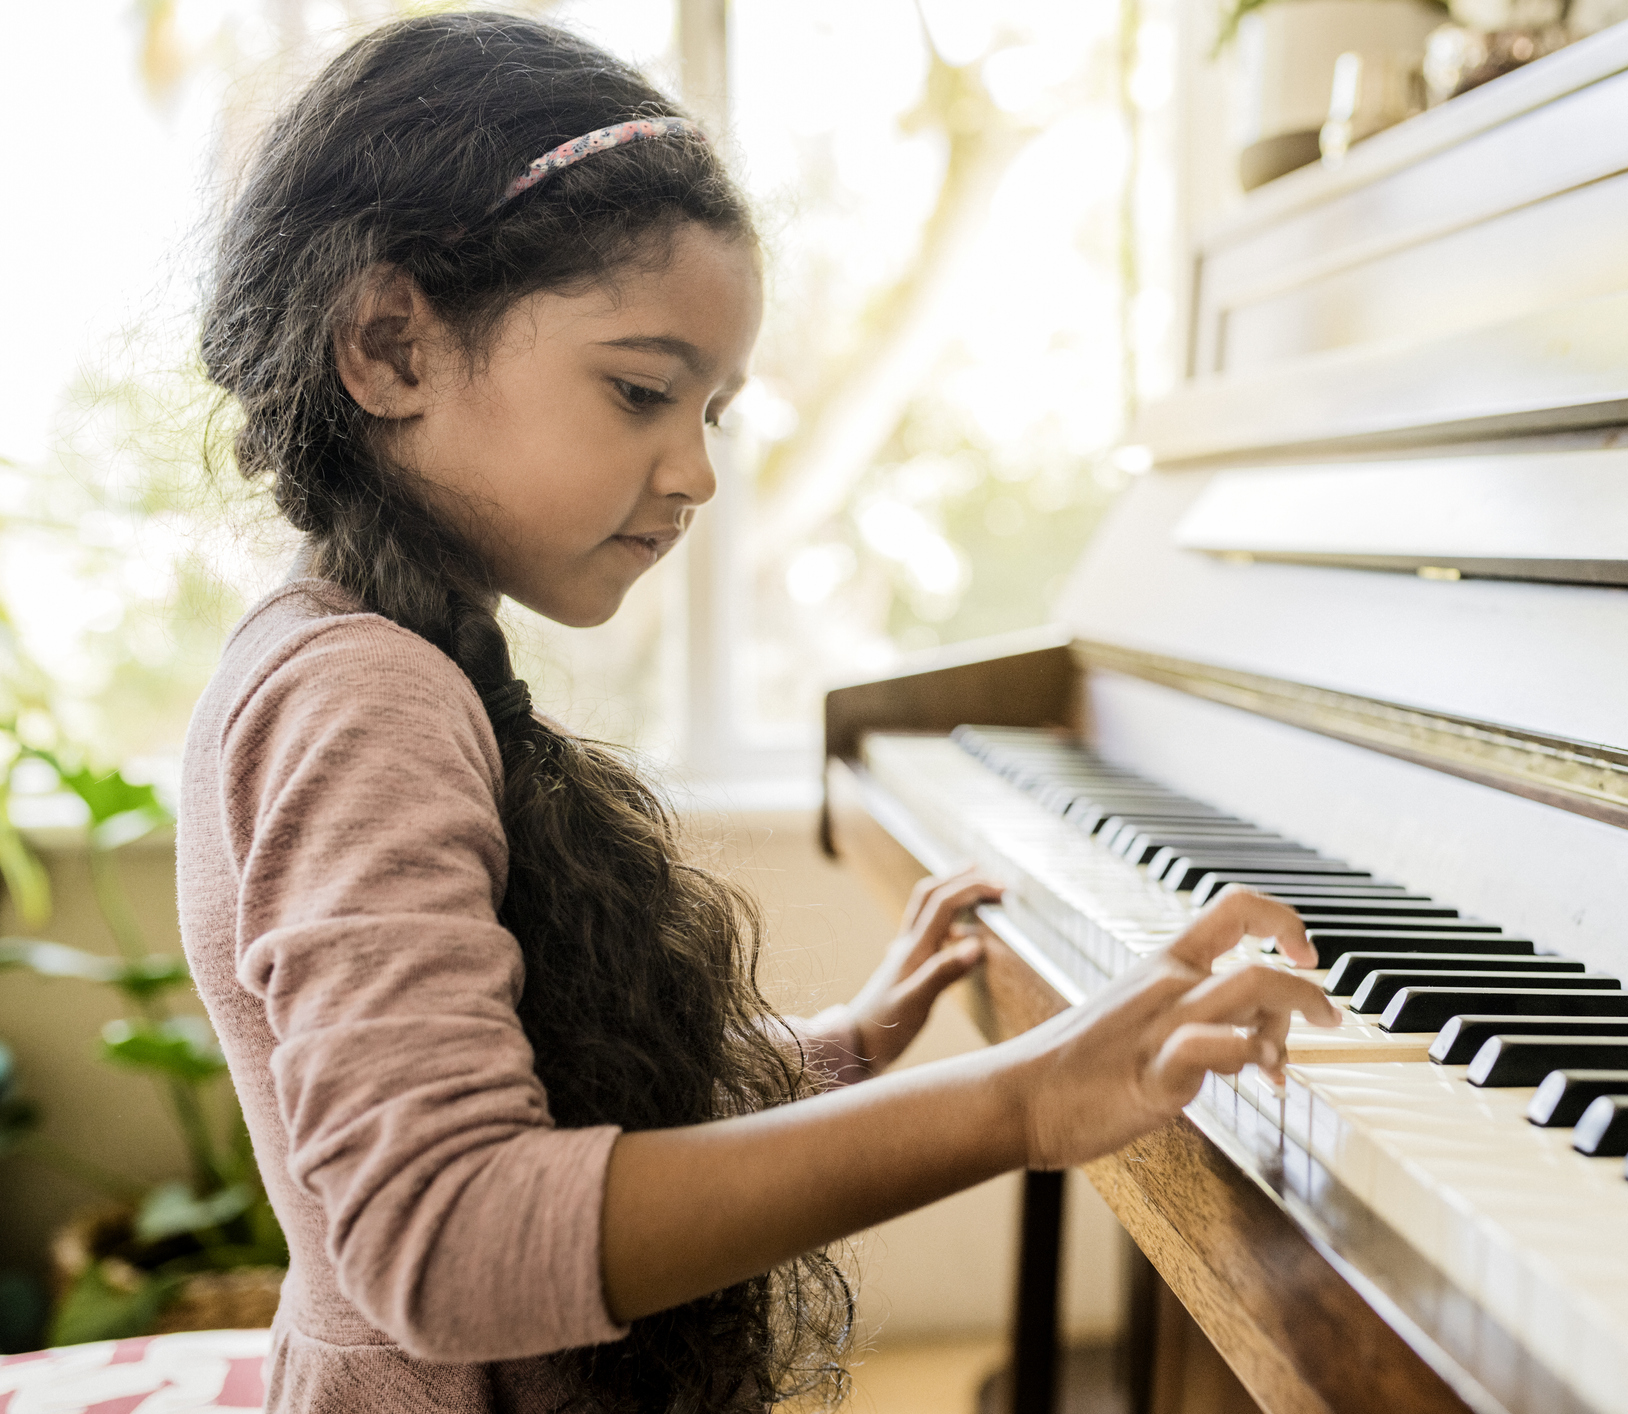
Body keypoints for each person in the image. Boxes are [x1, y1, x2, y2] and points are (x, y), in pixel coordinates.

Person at [179, 11, 1336, 1413]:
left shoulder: (375, 657)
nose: (697, 471)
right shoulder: (363, 696)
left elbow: (545, 1106)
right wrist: (1016, 1101)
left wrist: (838, 1043)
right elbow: (449, 1240)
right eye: (642, 390)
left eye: (714, 408)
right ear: (388, 347)